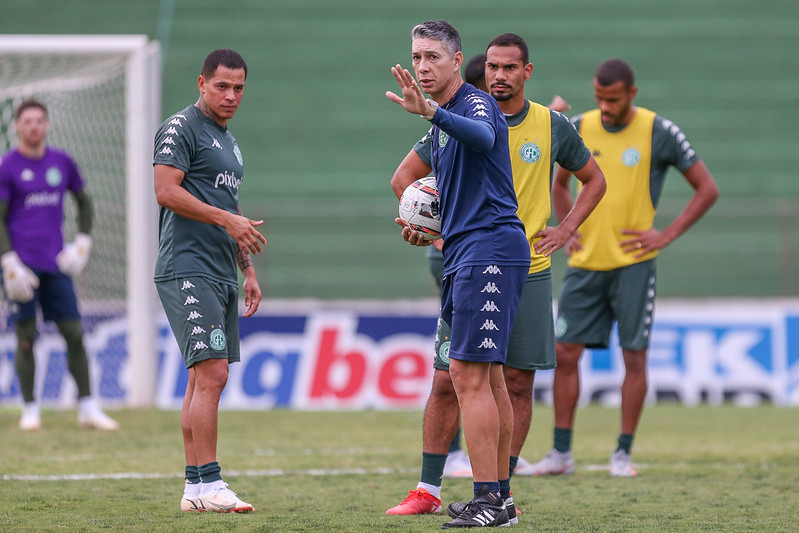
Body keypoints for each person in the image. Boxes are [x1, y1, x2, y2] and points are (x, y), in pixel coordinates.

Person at [386, 33, 606, 522]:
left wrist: (431, 113)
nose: (422, 66)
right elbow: (417, 183)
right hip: (470, 250)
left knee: (469, 374)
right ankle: (499, 496)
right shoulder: (447, 117)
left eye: (433, 57)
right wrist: (426, 228)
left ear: (458, 62)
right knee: (489, 380)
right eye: (417, 56)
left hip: (491, 250)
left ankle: (489, 497)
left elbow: (485, 138)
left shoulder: (474, 104)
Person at [530, 58, 719, 478]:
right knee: (564, 354)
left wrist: (664, 235)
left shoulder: (659, 131)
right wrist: (567, 228)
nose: (605, 106)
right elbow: (560, 184)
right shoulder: (579, 124)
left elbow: (707, 189)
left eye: (612, 99)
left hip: (634, 265)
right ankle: (561, 454)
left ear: (631, 94)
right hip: (584, 265)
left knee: (635, 357)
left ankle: (622, 454)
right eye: (599, 98)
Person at [153, 49, 266, 513]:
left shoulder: (231, 144)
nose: (231, 95)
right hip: (186, 265)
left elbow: (230, 210)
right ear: (202, 83)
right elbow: (166, 190)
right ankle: (213, 482)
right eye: (222, 86)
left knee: (200, 380)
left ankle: (195, 490)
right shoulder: (180, 127)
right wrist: (227, 219)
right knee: (212, 373)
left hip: (220, 269)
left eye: (239, 87)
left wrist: (249, 269)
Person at [0, 99, 119, 432]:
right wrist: (8, 261)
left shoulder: (62, 162)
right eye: (28, 121)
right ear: (17, 127)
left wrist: (82, 242)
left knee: (74, 333)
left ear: (48, 125)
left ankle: (88, 407)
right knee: (26, 337)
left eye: (40, 120)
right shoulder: (7, 166)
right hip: (20, 269)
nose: (34, 126)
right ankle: (30, 409)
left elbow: (84, 202)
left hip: (55, 265)